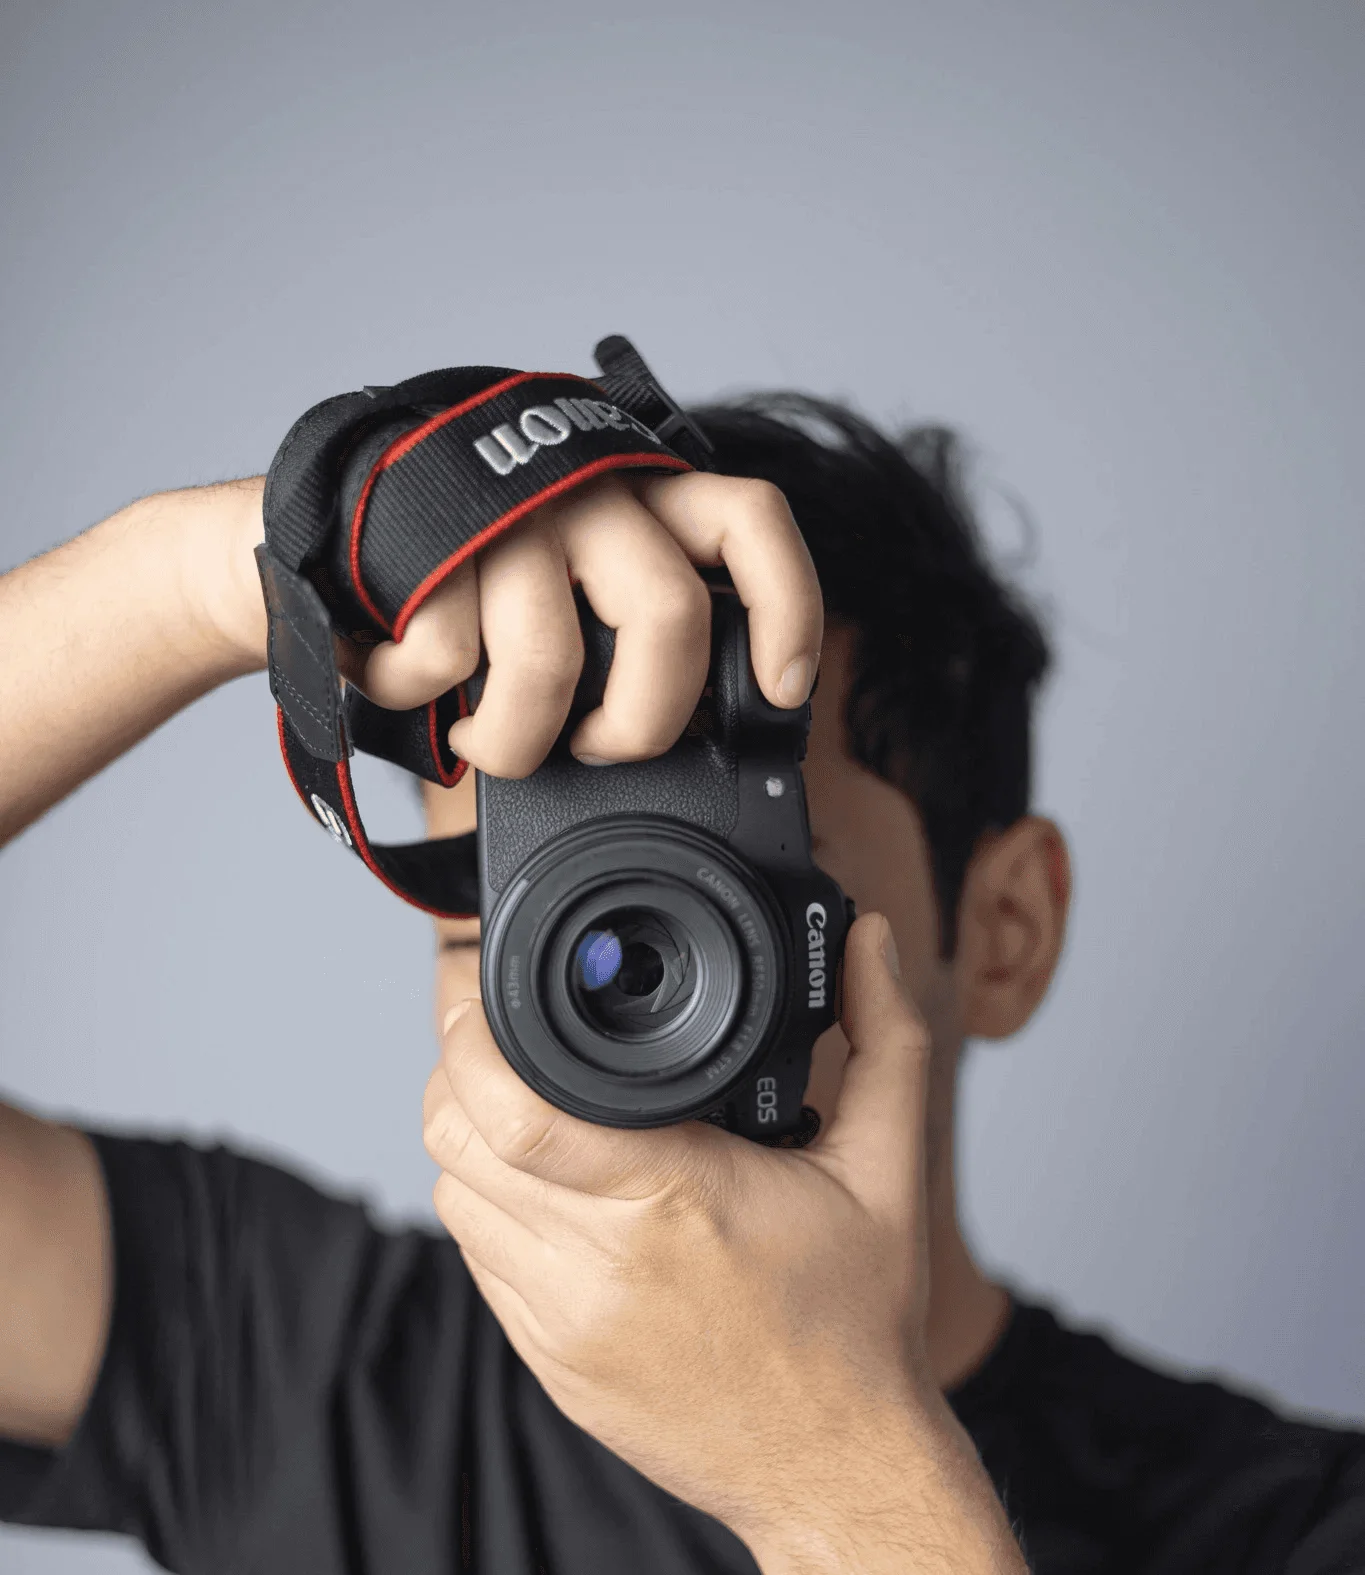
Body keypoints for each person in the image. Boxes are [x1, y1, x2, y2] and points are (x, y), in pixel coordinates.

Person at [1, 387, 1362, 1575]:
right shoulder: (318, 1388)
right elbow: (239, 573)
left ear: (1002, 930)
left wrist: (836, 1480)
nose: (600, 975)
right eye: (511, 908)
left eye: (726, 878)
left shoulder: (1296, 1526)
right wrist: (223, 572)